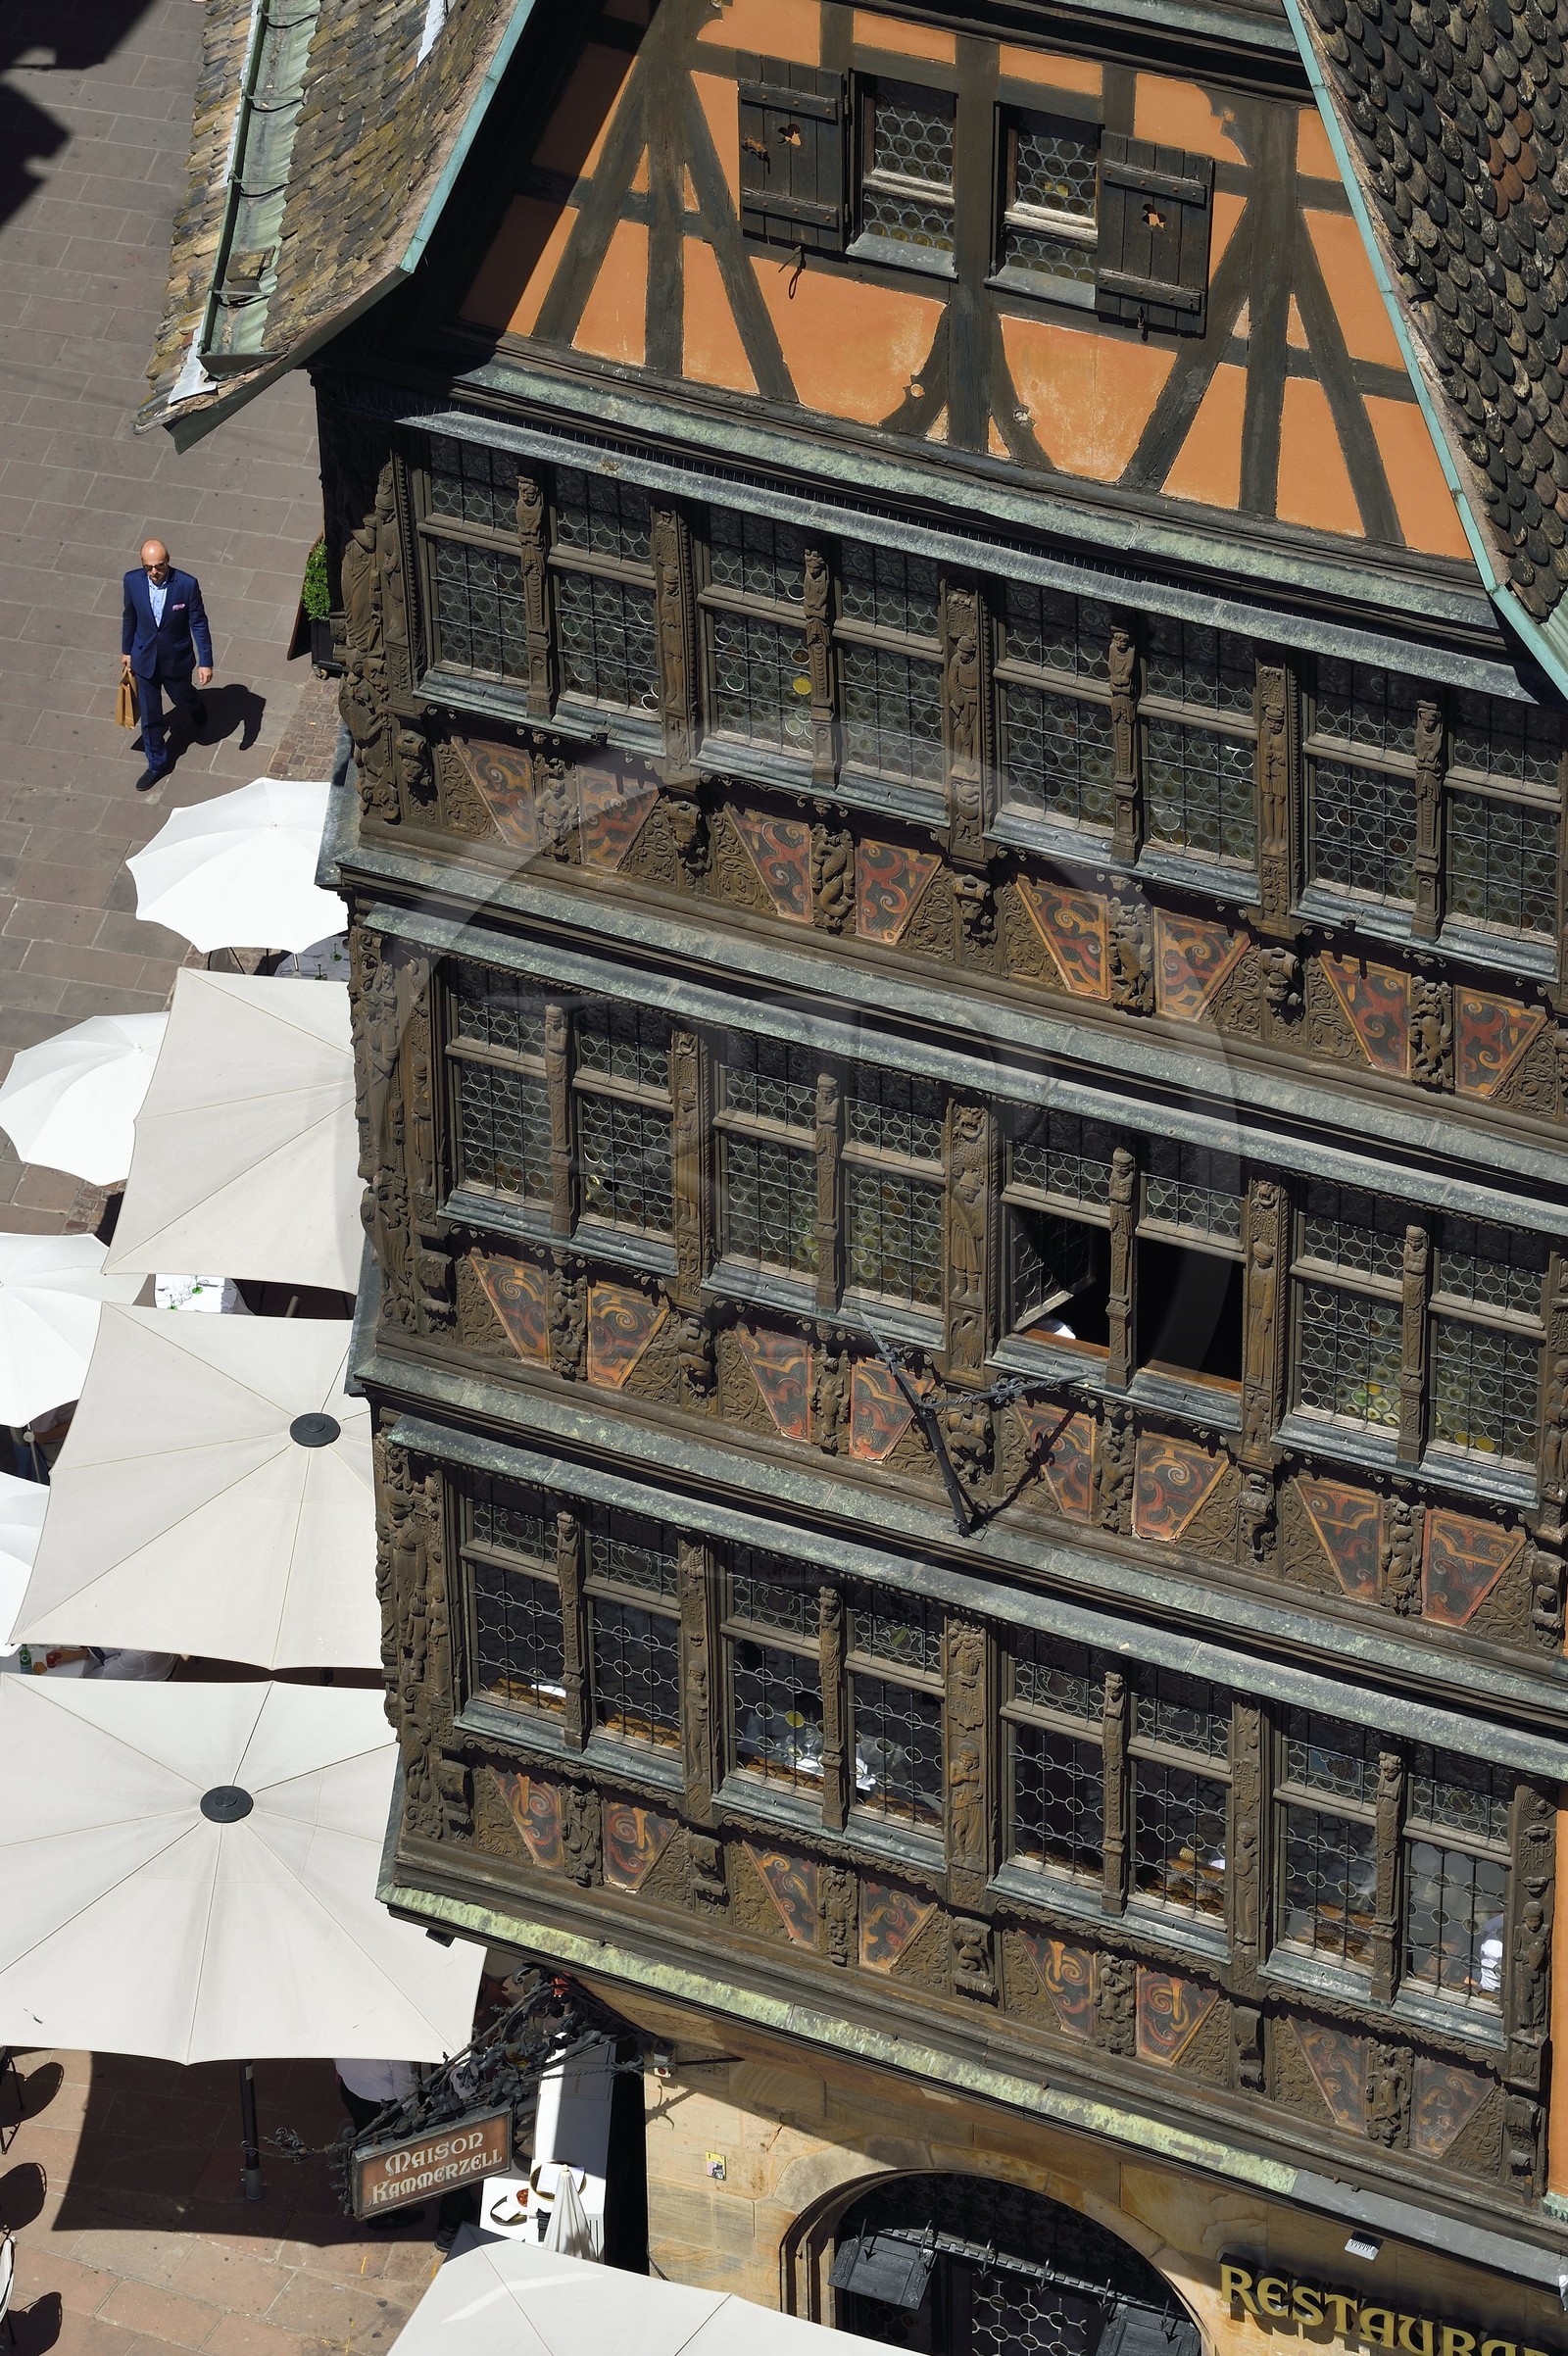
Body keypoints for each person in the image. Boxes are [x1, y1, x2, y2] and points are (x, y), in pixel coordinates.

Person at [121, 538, 214, 789]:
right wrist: (126, 650)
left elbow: (198, 623)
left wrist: (205, 661)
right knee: (150, 715)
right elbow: (129, 616)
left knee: (181, 697)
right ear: (142, 564)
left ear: (168, 561)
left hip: (176, 658)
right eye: (149, 567)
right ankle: (157, 763)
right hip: (144, 659)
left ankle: (194, 704)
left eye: (159, 566)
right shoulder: (132, 581)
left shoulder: (186, 585)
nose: (154, 572)